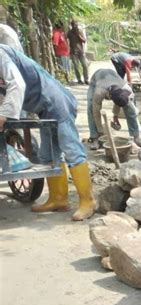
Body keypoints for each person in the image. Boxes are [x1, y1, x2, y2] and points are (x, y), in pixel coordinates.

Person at [0, 44, 95, 221]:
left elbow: (17, 84)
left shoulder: (1, 54)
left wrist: (4, 115)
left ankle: (87, 201)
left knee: (71, 149)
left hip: (56, 100)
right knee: (48, 155)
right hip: (42, 107)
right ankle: (58, 199)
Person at [87, 68, 141, 150]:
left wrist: (115, 116)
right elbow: (96, 113)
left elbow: (122, 104)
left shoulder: (127, 90)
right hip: (97, 78)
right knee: (90, 107)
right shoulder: (99, 92)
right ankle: (94, 139)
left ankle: (136, 138)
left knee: (130, 110)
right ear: (110, 96)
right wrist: (100, 131)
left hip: (113, 78)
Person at [67, 20, 88, 84]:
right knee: (76, 66)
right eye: (73, 25)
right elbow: (67, 40)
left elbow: (84, 41)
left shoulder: (80, 32)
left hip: (80, 52)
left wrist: (79, 36)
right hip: (73, 52)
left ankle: (86, 79)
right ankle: (79, 79)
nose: (75, 26)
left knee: (85, 65)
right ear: (71, 25)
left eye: (76, 25)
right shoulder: (69, 33)